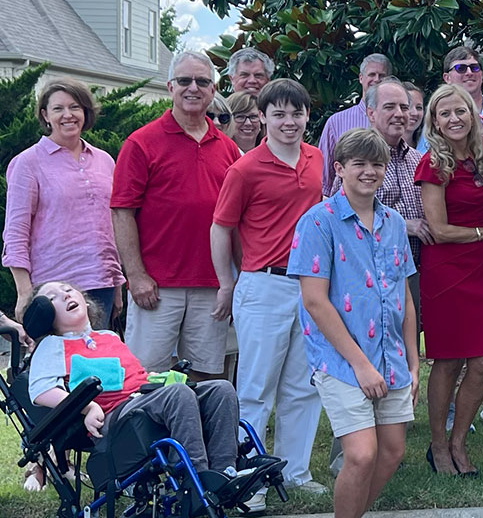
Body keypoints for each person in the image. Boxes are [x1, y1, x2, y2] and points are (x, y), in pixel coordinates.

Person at [24, 283, 275, 499]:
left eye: (68, 290)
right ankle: (194, 477)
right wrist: (88, 407)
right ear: (45, 316)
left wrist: (158, 378)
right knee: (178, 395)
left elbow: (134, 376)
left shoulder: (108, 336)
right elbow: (41, 390)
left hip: (143, 399)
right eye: (53, 298)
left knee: (220, 389)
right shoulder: (53, 345)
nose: (65, 295)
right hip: (114, 417)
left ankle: (225, 472)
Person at [288, 129, 418, 518]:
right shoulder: (318, 222)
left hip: (390, 355)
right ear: (340, 168)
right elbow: (313, 299)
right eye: (359, 164)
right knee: (361, 454)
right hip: (342, 358)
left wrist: (413, 362)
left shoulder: (394, 222)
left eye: (377, 164)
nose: (369, 172)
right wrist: (360, 364)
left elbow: (404, 295)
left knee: (392, 451)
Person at [210, 79, 326, 508]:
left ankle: (294, 470)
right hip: (263, 285)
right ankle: (248, 479)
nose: (288, 122)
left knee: (304, 384)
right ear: (262, 117)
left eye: (296, 114)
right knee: (257, 388)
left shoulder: (317, 159)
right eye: (278, 114)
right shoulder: (245, 168)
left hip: (311, 287)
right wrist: (227, 283)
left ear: (306, 116)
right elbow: (221, 228)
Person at [111, 50, 240, 381]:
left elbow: (236, 220)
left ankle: (194, 435)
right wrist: (136, 275)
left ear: (214, 90)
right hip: (156, 286)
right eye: (184, 80)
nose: (193, 88)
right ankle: (151, 436)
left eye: (202, 81)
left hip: (211, 285)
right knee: (147, 377)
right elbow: (122, 211)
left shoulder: (226, 147)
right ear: (170, 87)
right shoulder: (141, 143)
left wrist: (233, 280)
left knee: (205, 377)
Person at [416, 84, 483, 475]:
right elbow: (439, 228)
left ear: (473, 113)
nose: (453, 119)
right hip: (447, 269)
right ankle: (438, 446)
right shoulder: (433, 162)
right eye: (444, 113)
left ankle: (459, 442)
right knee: (447, 361)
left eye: (460, 111)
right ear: (434, 120)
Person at [4, 78, 123, 327]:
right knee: (61, 363)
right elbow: (16, 232)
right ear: (46, 115)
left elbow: (109, 227)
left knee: (98, 362)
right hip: (52, 292)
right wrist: (25, 292)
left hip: (101, 284)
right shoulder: (27, 163)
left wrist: (117, 284)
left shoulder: (104, 161)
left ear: (85, 112)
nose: (67, 115)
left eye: (75, 107)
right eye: (58, 108)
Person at [317, 53, 393, 196]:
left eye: (382, 76)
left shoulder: (397, 121)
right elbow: (324, 179)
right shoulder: (336, 122)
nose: (376, 79)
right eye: (372, 74)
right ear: (360, 78)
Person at [442, 47, 483, 126]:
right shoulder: (439, 116)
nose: (469, 73)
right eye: (461, 68)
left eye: (474, 67)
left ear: (481, 75)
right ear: (447, 78)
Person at [400, 81, 426, 153]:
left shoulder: (428, 147)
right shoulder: (382, 147)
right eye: (408, 106)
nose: (414, 113)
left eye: (419, 108)